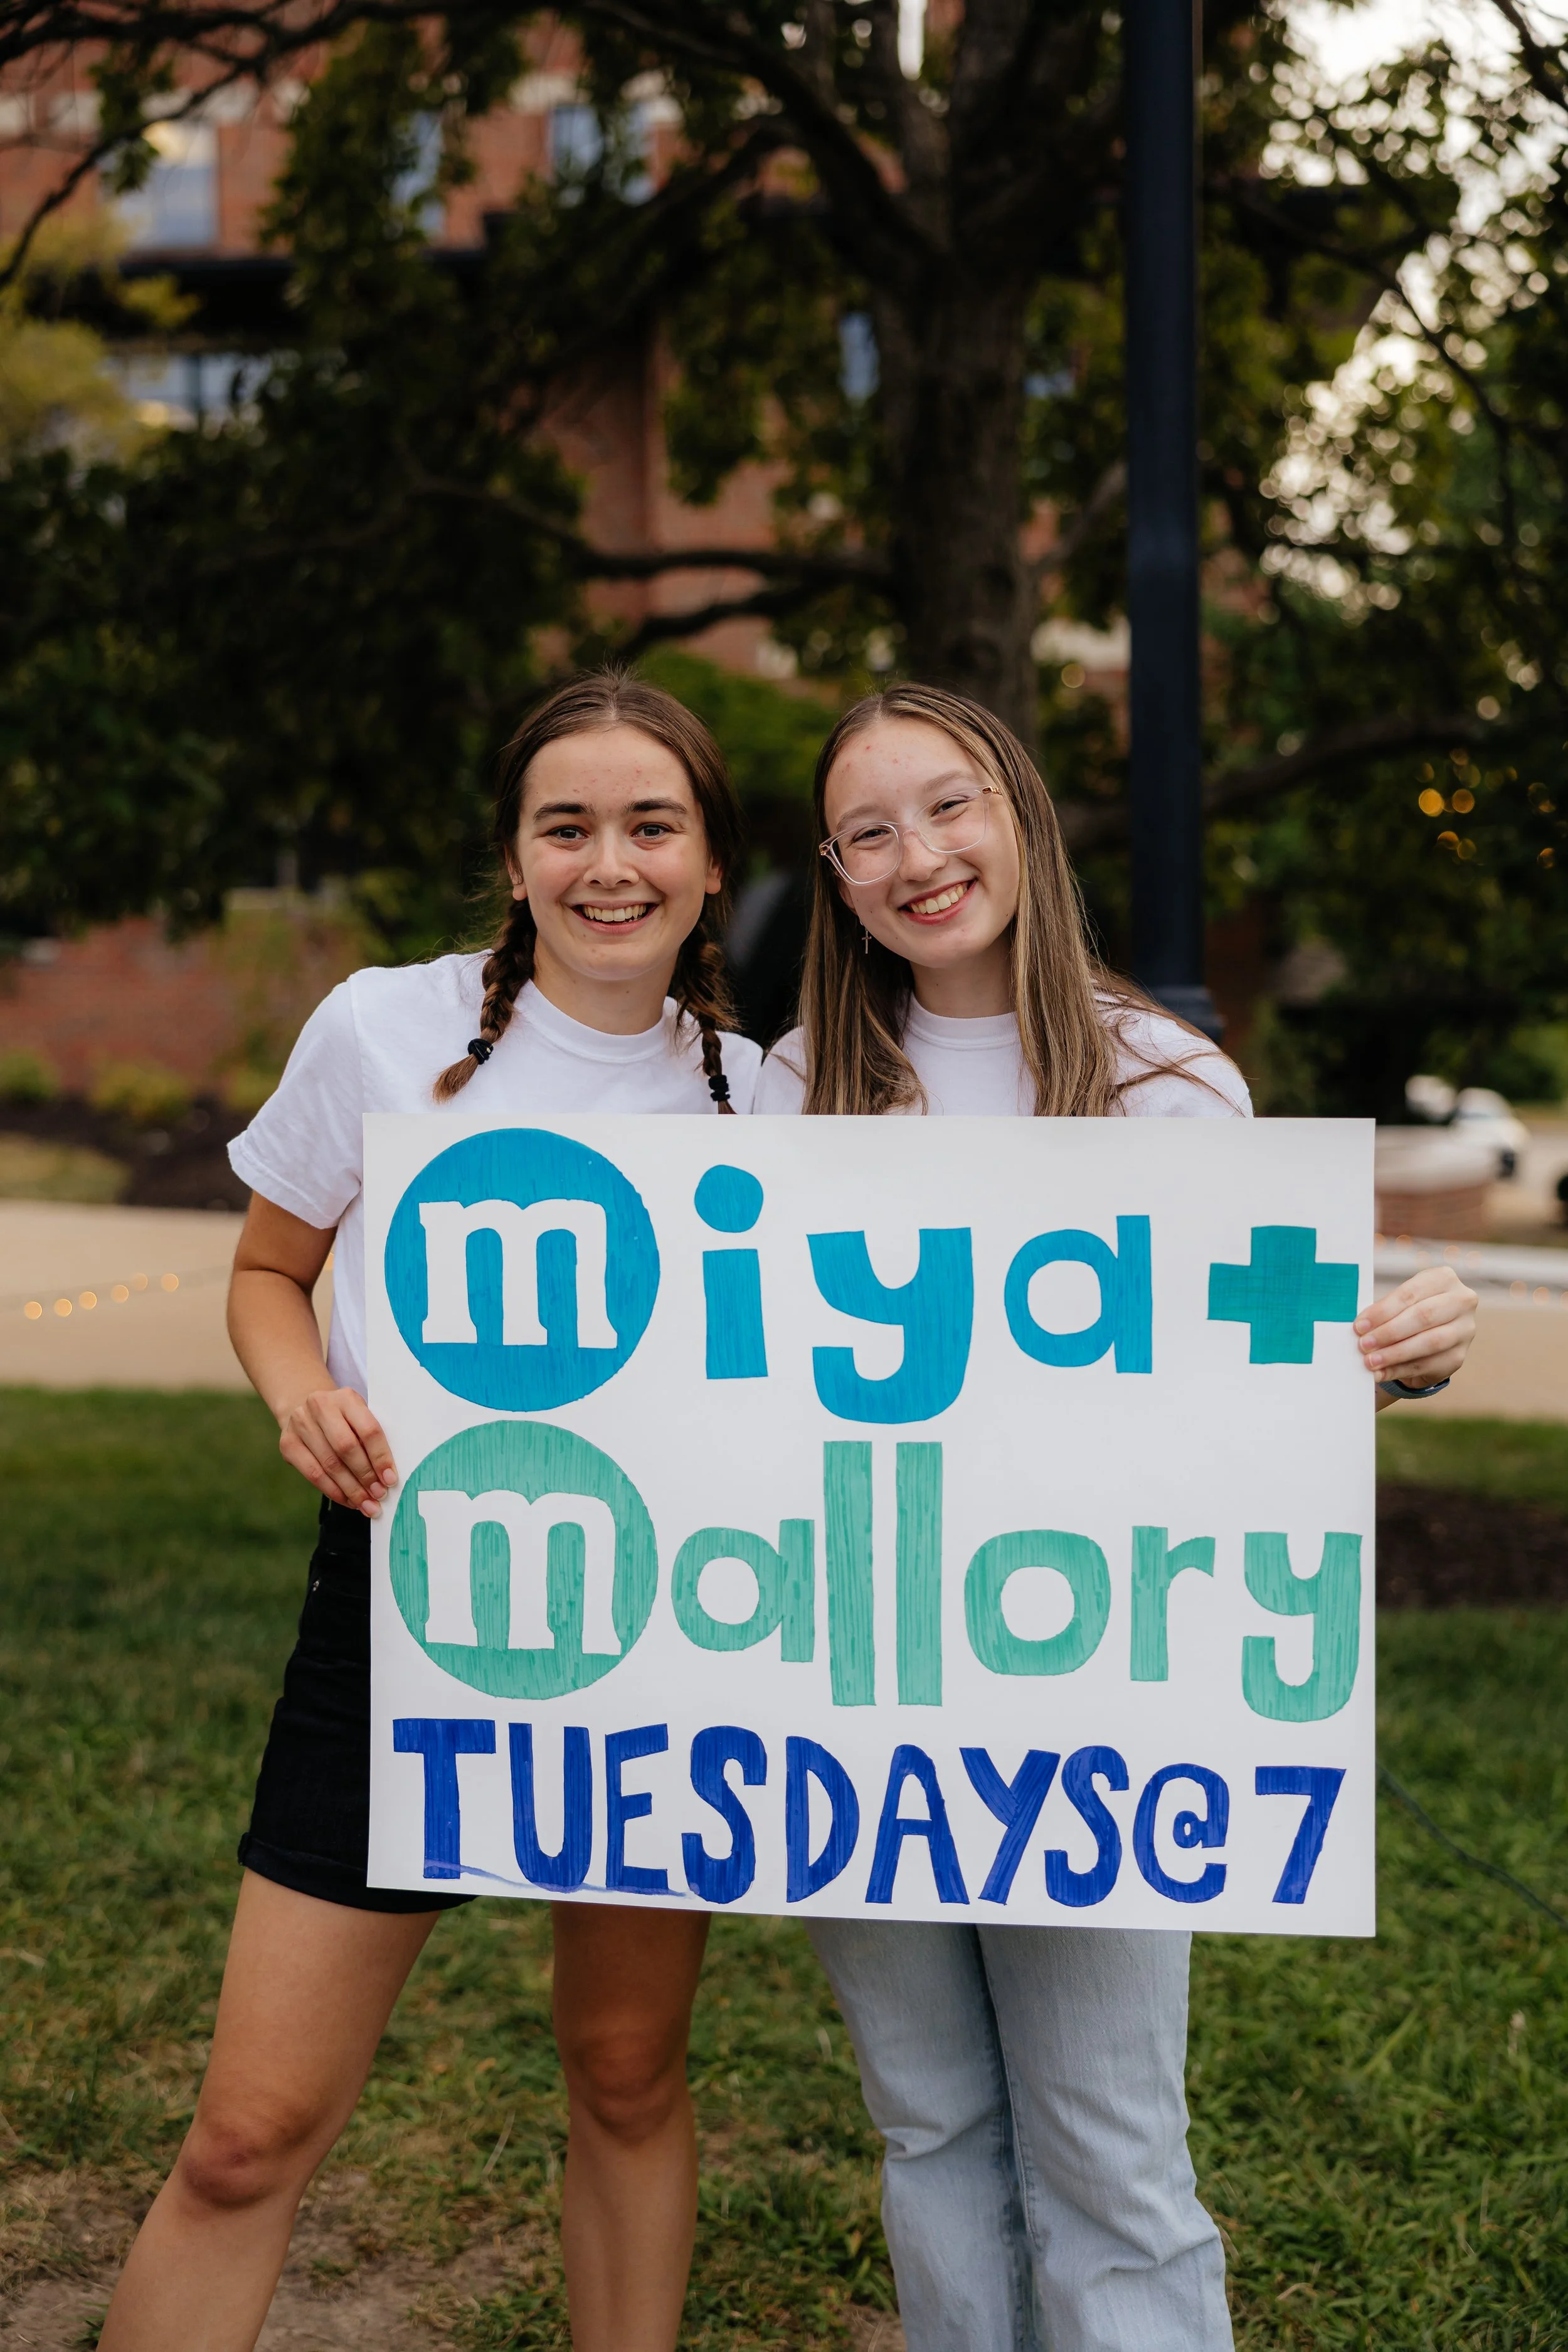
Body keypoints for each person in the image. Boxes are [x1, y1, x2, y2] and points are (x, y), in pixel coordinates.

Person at [753, 681, 1478, 2352]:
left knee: (1105, 2144)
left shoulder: (1166, 1083)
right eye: (870, 832)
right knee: (931, 2125)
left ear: (1018, 812)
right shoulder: (792, 1092)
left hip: (1092, 1692)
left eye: (947, 806)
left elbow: (1243, 1392)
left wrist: (1387, 1358)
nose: (917, 855)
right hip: (847, 1681)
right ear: (835, 876)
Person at [100, 672, 761, 2352]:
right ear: (515, 854)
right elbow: (269, 1270)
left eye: (649, 824)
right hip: (403, 1599)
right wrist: (297, 1388)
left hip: (658, 1624)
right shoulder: (385, 1028)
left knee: (624, 2068)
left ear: (705, 862)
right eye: (567, 826)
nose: (607, 862)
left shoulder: (776, 1089)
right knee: (248, 2132)